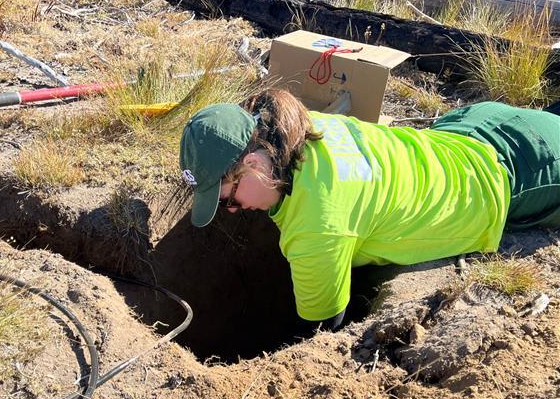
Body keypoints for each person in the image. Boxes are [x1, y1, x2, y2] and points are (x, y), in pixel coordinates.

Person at [179, 89, 560, 330]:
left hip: (517, 172)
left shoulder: (317, 226)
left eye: (229, 198)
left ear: (255, 164)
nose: (231, 210)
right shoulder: (302, 125)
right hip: (472, 124)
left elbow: (325, 325)